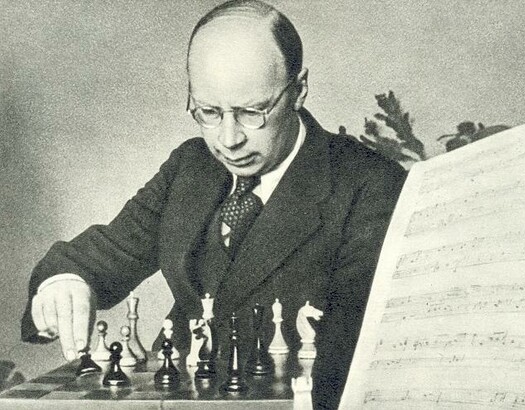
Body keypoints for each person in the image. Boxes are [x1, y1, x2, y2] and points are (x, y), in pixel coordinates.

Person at [20, 1, 406, 408]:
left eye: (252, 112)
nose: (228, 139)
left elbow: (357, 362)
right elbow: (101, 256)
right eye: (208, 112)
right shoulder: (191, 167)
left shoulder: (369, 185)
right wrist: (65, 282)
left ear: (299, 90)